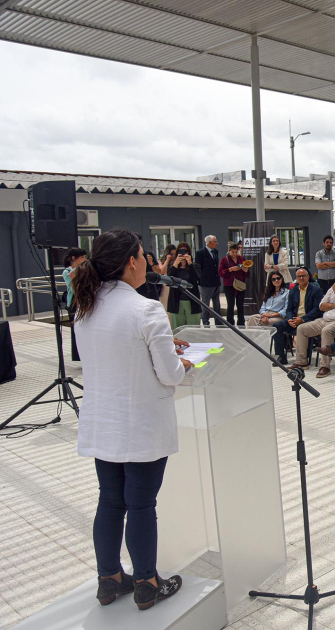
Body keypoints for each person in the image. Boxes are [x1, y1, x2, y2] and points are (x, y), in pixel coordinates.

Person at [71, 228, 189, 610]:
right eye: (144, 255)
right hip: (140, 423)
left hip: (103, 421)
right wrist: (181, 360)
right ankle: (147, 582)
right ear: (131, 262)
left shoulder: (86, 307)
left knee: (110, 501)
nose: (149, 262)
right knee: (141, 505)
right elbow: (169, 374)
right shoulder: (146, 308)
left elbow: (115, 353)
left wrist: (161, 345)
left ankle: (109, 579)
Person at [290, 266, 335, 377]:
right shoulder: (332, 287)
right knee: (302, 328)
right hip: (326, 319)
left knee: (326, 331)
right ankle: (301, 362)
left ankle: (325, 367)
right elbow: (321, 306)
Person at [272, 267, 323, 364]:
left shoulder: (316, 290)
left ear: (308, 277)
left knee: (302, 329)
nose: (301, 278)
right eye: (299, 276)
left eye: (303, 276)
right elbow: (289, 309)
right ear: (296, 278)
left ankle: (304, 358)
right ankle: (281, 356)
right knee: (277, 326)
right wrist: (290, 319)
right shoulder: (293, 291)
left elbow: (317, 309)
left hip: (309, 319)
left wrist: (302, 319)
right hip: (294, 319)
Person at [165, 242, 201, 329]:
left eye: (185, 252)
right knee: (178, 329)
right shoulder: (173, 267)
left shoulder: (194, 266)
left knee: (193, 329)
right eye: (180, 252)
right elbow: (168, 281)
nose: (183, 255)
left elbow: (196, 279)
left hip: (192, 302)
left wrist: (190, 264)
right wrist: (175, 265)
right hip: (176, 302)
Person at [63, 247, 87, 361]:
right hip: (74, 302)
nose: (84, 259)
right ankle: (79, 356)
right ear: (74, 258)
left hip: (84, 301)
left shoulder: (84, 269)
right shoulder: (67, 272)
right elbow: (73, 288)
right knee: (76, 330)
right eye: (82, 257)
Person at [193, 236, 222, 326]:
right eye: (215, 241)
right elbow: (197, 267)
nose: (216, 243)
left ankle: (219, 321)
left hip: (215, 281)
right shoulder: (200, 253)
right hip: (205, 282)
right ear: (209, 242)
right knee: (205, 303)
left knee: (217, 303)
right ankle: (205, 321)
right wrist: (201, 278)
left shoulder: (215, 252)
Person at [218, 242, 249, 326]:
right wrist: (230, 269)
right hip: (229, 285)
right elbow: (221, 273)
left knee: (240, 304)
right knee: (230, 304)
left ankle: (241, 322)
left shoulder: (241, 259)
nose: (234, 254)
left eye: (236, 252)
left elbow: (247, 274)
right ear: (229, 251)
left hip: (240, 284)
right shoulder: (225, 260)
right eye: (232, 252)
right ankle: (230, 323)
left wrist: (245, 270)